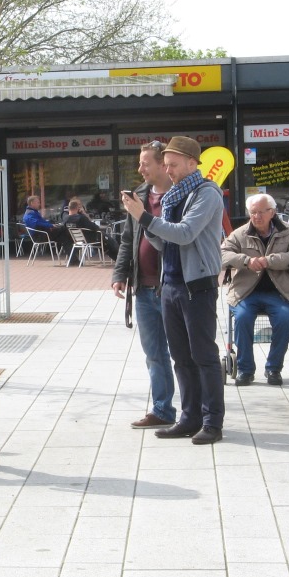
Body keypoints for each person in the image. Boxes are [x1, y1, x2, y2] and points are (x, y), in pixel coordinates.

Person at [120, 136, 225, 445]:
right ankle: (189, 417)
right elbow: (166, 243)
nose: (170, 171)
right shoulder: (171, 197)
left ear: (193, 163)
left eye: (174, 165)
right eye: (166, 165)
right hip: (171, 285)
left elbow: (185, 233)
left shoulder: (207, 194)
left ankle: (212, 422)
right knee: (180, 357)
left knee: (203, 355)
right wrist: (147, 226)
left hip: (197, 286)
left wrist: (144, 217)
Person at [111, 141, 177, 429]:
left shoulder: (181, 195)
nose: (139, 169)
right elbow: (129, 238)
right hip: (143, 289)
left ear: (163, 165)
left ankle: (195, 411)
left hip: (173, 287)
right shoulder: (138, 195)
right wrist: (119, 273)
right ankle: (162, 410)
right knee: (154, 354)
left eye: (145, 163)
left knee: (184, 353)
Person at [221, 193, 289, 386]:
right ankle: (245, 370)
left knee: (285, 321)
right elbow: (222, 254)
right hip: (246, 292)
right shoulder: (240, 234)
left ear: (272, 212)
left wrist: (270, 261)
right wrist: (246, 261)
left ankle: (273, 369)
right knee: (242, 319)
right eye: (253, 213)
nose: (256, 216)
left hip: (280, 291)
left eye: (261, 212)